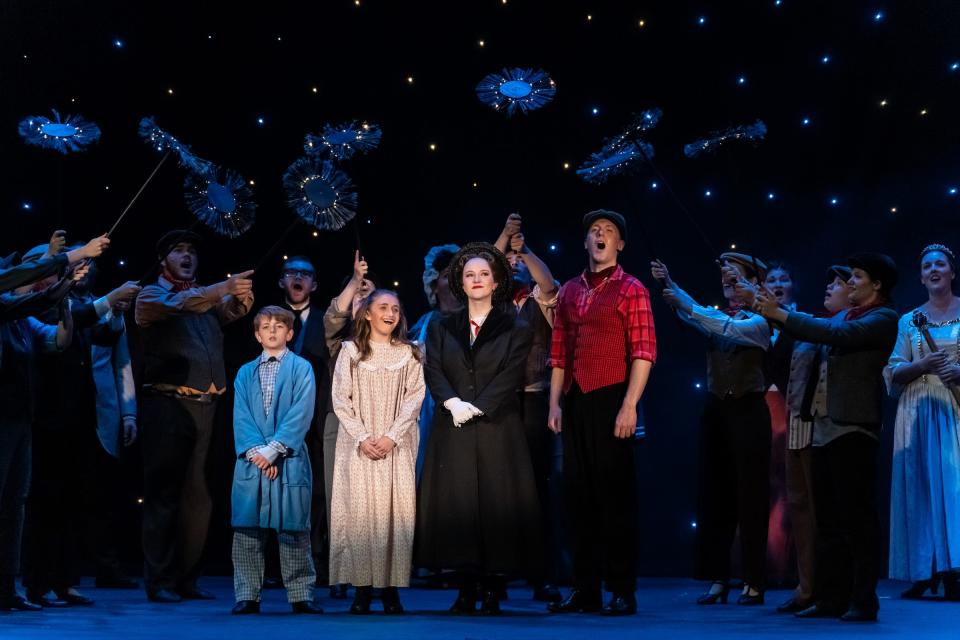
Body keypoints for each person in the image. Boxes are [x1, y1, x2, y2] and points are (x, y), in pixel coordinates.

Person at [755, 252, 899, 622]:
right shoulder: (842, 316)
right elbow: (812, 331)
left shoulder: (883, 318)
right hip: (822, 428)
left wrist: (782, 313)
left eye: (856, 276)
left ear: (876, 284)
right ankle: (830, 596)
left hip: (853, 427)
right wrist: (773, 311)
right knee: (829, 521)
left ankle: (863, 599)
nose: (849, 282)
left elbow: (835, 334)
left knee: (857, 520)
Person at [415, 242, 539, 615]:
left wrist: (479, 406)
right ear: (460, 282)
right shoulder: (440, 325)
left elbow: (511, 374)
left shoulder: (515, 326)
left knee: (494, 505)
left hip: (496, 425)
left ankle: (492, 588)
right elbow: (433, 368)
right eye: (470, 275)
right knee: (460, 505)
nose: (477, 280)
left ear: (496, 279)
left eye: (484, 274)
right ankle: (465, 587)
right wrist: (452, 403)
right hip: (453, 424)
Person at [135, 230, 254, 603]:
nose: (187, 256)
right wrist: (223, 288)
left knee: (198, 498)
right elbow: (185, 303)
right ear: (162, 259)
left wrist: (241, 299)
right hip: (169, 406)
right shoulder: (150, 295)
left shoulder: (202, 298)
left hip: (207, 406)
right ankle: (160, 580)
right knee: (164, 495)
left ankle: (187, 577)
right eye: (178, 251)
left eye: (191, 251)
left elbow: (224, 312)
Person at [547, 210, 656, 616]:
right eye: (594, 230)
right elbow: (558, 352)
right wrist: (555, 402)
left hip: (612, 395)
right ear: (586, 241)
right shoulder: (572, 290)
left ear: (620, 243)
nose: (600, 235)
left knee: (616, 498)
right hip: (576, 398)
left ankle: (622, 589)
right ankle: (585, 588)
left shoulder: (631, 288)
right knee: (578, 498)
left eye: (608, 231)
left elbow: (644, 351)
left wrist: (630, 405)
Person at [20, 243, 140, 607]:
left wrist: (115, 309)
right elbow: (77, 316)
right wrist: (109, 301)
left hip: (80, 417)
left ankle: (66, 581)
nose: (79, 270)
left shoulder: (75, 303)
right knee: (45, 503)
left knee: (74, 502)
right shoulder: (40, 305)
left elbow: (103, 335)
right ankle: (37, 583)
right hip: (48, 418)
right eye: (70, 265)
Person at [653, 251, 771, 606]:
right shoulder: (714, 315)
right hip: (717, 410)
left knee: (750, 497)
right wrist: (670, 283)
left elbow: (726, 329)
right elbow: (704, 319)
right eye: (724, 277)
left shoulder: (762, 321)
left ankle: (754, 580)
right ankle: (718, 578)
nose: (727, 282)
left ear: (753, 282)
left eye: (735, 276)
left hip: (749, 411)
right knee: (715, 496)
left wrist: (683, 302)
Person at [0, 246, 94, 611]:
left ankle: (7, 588)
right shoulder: (10, 308)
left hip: (21, 418)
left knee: (14, 505)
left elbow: (58, 340)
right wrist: (69, 259)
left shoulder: (21, 319)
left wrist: (67, 288)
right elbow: (21, 292)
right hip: (3, 420)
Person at [330, 290, 425, 615]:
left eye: (396, 309)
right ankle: (361, 589)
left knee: (393, 514)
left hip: (395, 445)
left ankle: (390, 590)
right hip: (359, 444)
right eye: (383, 307)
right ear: (367, 314)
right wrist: (363, 437)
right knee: (361, 514)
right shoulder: (351, 351)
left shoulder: (410, 353)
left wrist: (391, 437)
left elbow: (415, 398)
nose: (390, 313)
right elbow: (341, 399)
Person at [230, 306, 322, 615]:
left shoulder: (301, 368)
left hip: (288, 458)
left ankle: (300, 595)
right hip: (252, 460)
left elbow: (301, 411)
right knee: (247, 530)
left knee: (293, 529)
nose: (272, 331)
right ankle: (247, 595)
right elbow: (241, 415)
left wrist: (275, 449)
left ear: (290, 333)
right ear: (257, 334)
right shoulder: (245, 372)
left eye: (279, 326)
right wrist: (258, 451)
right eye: (266, 327)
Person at [774, 265, 853, 613]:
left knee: (826, 513)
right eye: (830, 281)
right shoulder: (814, 322)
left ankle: (829, 590)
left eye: (838, 283)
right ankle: (807, 587)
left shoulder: (851, 325)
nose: (829, 287)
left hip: (828, 430)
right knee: (801, 509)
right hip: (799, 424)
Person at [493, 214, 564, 602]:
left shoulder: (541, 300)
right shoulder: (493, 301)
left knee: (539, 488)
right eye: (510, 263)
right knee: (500, 490)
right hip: (501, 401)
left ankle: (543, 576)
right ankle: (499, 574)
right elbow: (486, 264)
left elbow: (549, 283)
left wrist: (526, 250)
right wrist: (504, 238)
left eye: (519, 263)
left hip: (536, 398)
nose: (515, 265)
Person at [884, 244, 960, 600]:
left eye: (940, 264)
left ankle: (955, 568)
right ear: (921, 276)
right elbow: (893, 369)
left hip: (954, 406)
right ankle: (923, 570)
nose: (934, 269)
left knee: (953, 487)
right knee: (920, 487)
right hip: (918, 407)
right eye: (927, 265)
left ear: (951, 272)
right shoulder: (909, 320)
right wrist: (923, 366)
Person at [320, 250, 378, 599]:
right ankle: (340, 571)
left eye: (370, 296)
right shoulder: (339, 342)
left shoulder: (394, 343)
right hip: (340, 424)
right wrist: (355, 281)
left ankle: (375, 573)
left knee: (376, 503)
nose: (362, 299)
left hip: (379, 429)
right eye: (358, 294)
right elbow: (333, 315)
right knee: (339, 500)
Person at [277, 256, 331, 584]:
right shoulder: (267, 320)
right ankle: (278, 566)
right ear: (282, 281)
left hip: (317, 419)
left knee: (317, 492)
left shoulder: (327, 321)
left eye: (305, 274)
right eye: (292, 273)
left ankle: (318, 563)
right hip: (277, 420)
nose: (298, 278)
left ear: (314, 284)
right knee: (277, 490)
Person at [408, 243, 460, 478]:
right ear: (434, 284)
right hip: (430, 407)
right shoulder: (424, 323)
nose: (457, 281)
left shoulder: (474, 319)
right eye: (449, 275)